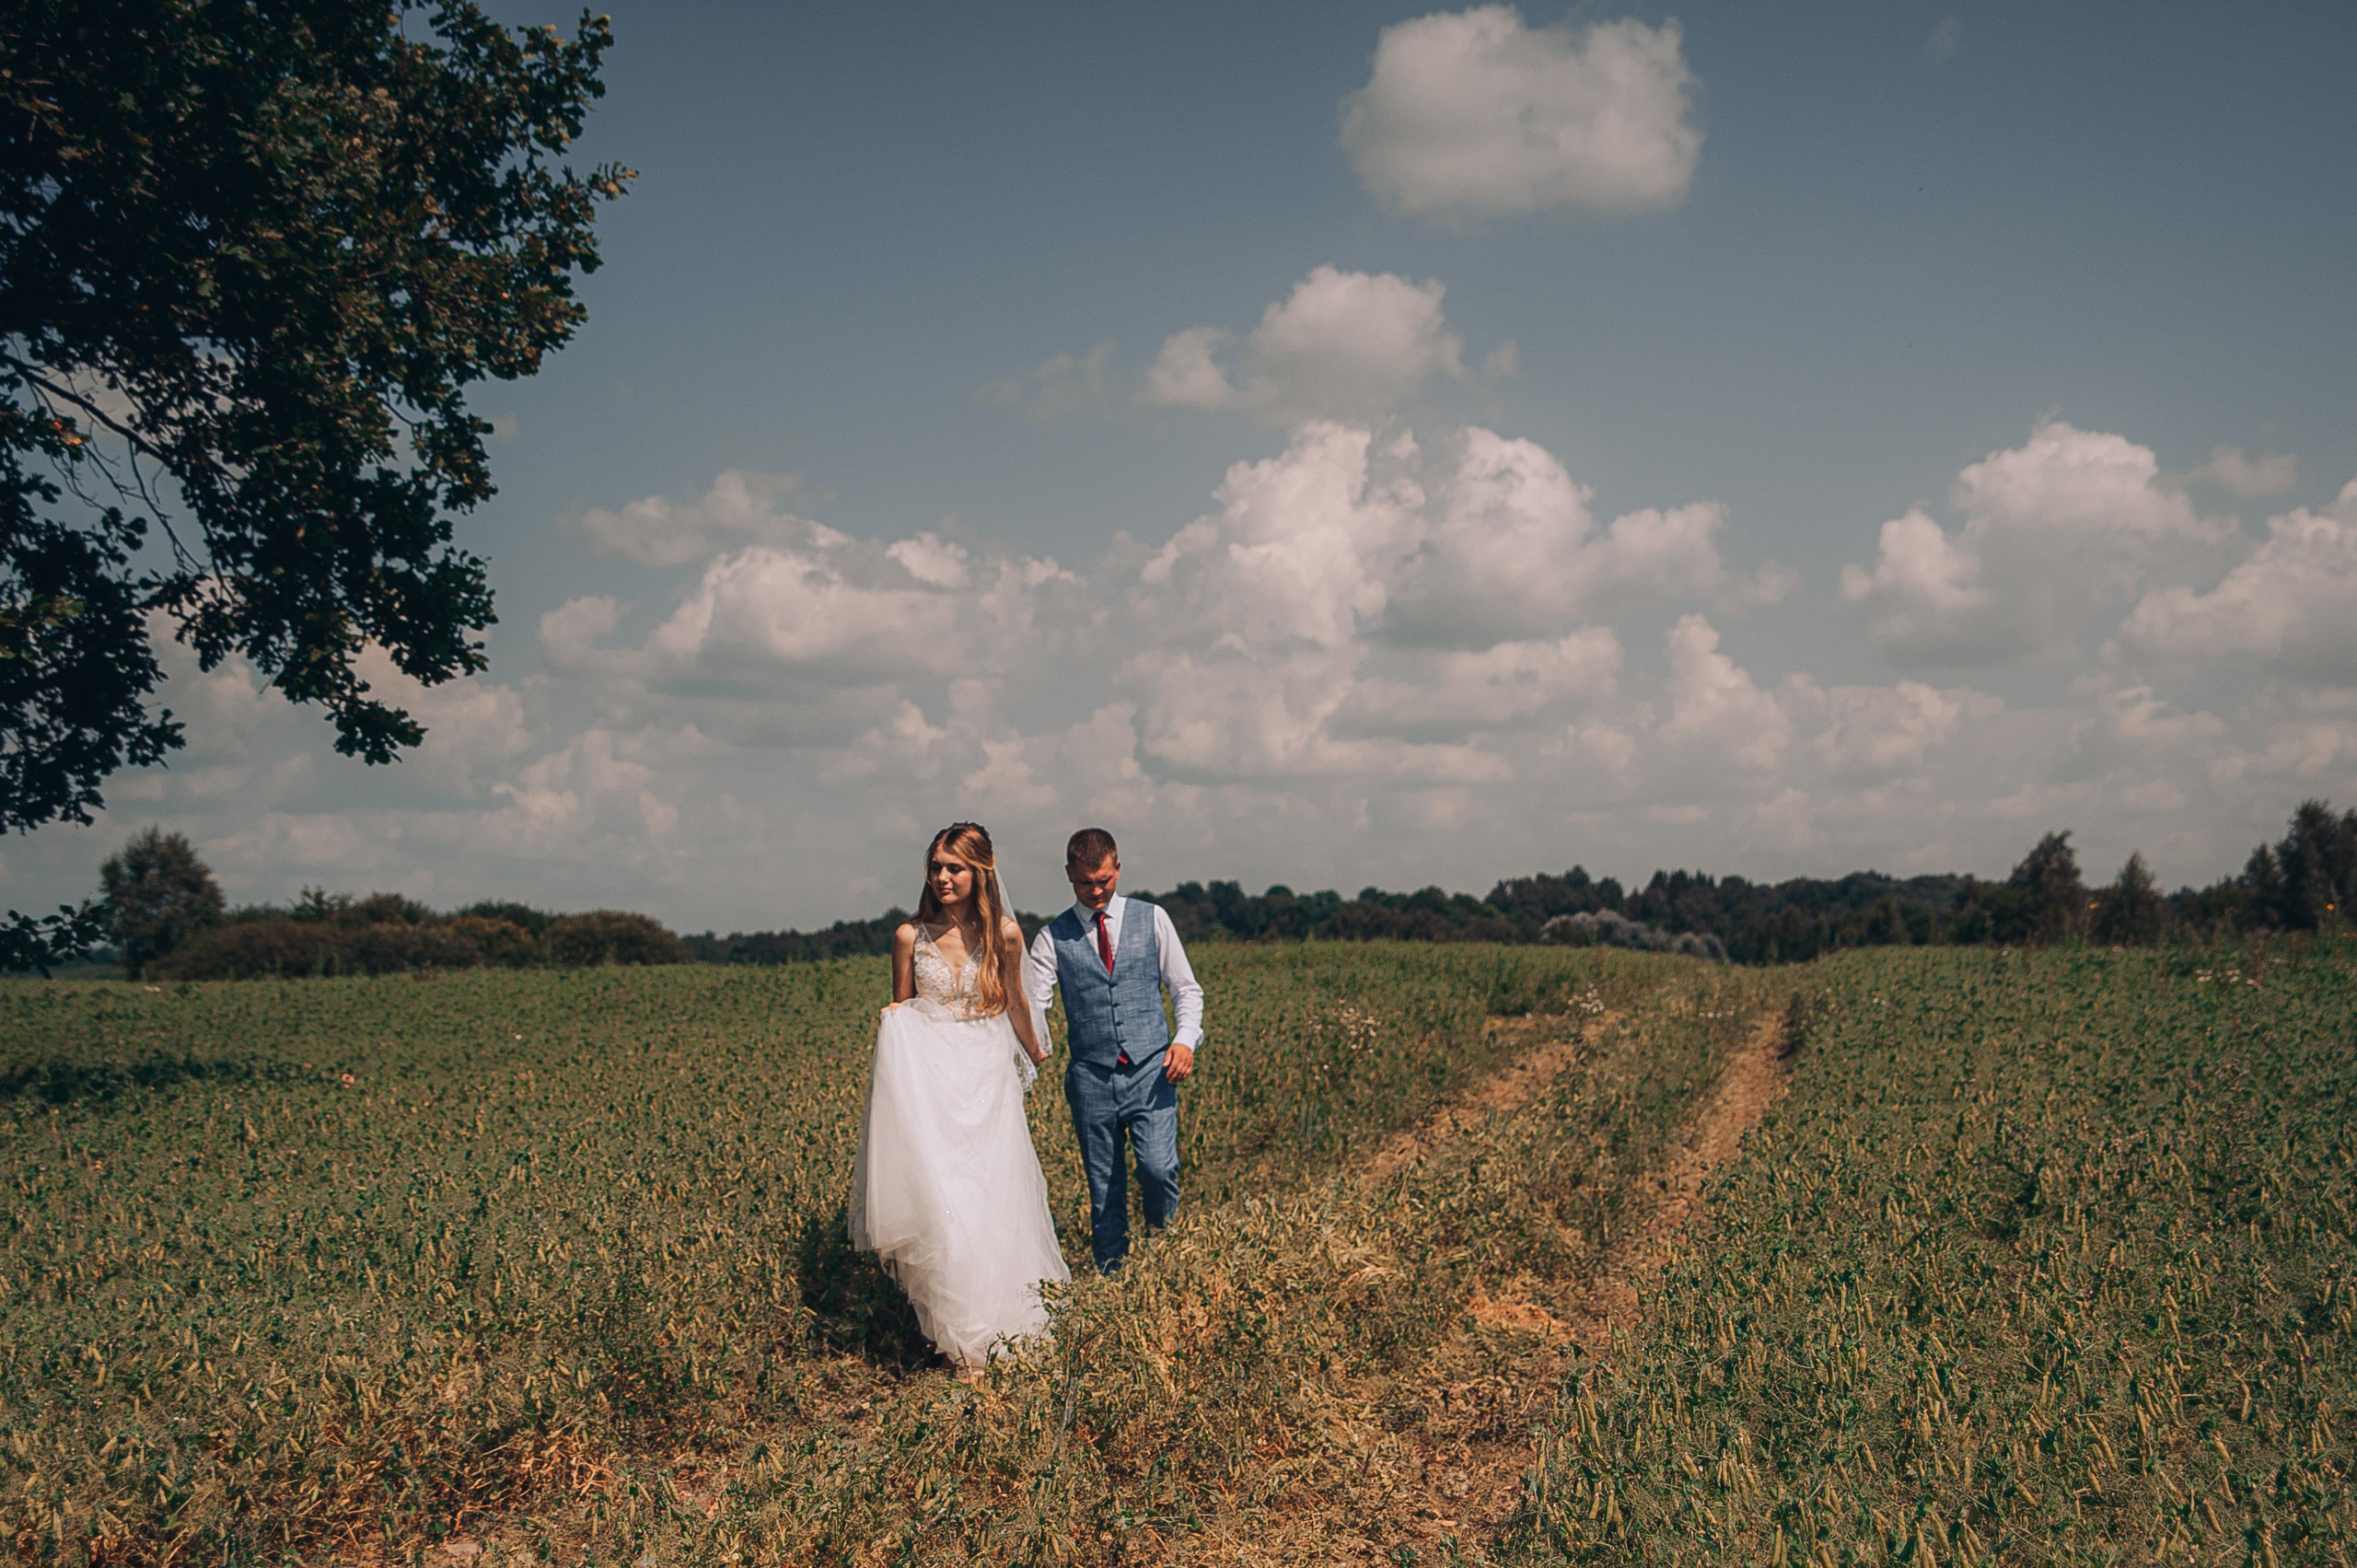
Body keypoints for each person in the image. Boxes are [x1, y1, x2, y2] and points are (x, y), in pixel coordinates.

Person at [848, 822, 1070, 1382]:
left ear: (979, 874)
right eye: (937, 866)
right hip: (930, 1087)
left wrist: (1036, 1052)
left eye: (955, 868)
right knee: (941, 1212)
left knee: (990, 1207)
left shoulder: (1005, 936)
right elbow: (902, 1011)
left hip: (985, 1081)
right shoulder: (908, 937)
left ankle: (1001, 1333)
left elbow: (1016, 1000)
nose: (943, 877)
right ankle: (957, 1343)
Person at [1026, 827, 1205, 1274]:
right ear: (1069, 875)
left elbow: (1186, 989)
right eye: (1086, 882)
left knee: (1158, 1169)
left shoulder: (1153, 918)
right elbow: (1033, 1003)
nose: (1097, 890)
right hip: (1090, 1078)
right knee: (1104, 1188)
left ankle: (1166, 1264)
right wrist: (1027, 1044)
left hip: (1152, 1068)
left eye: (1104, 879)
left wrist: (1185, 1040)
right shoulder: (1051, 938)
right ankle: (1114, 1282)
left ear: (1118, 868)